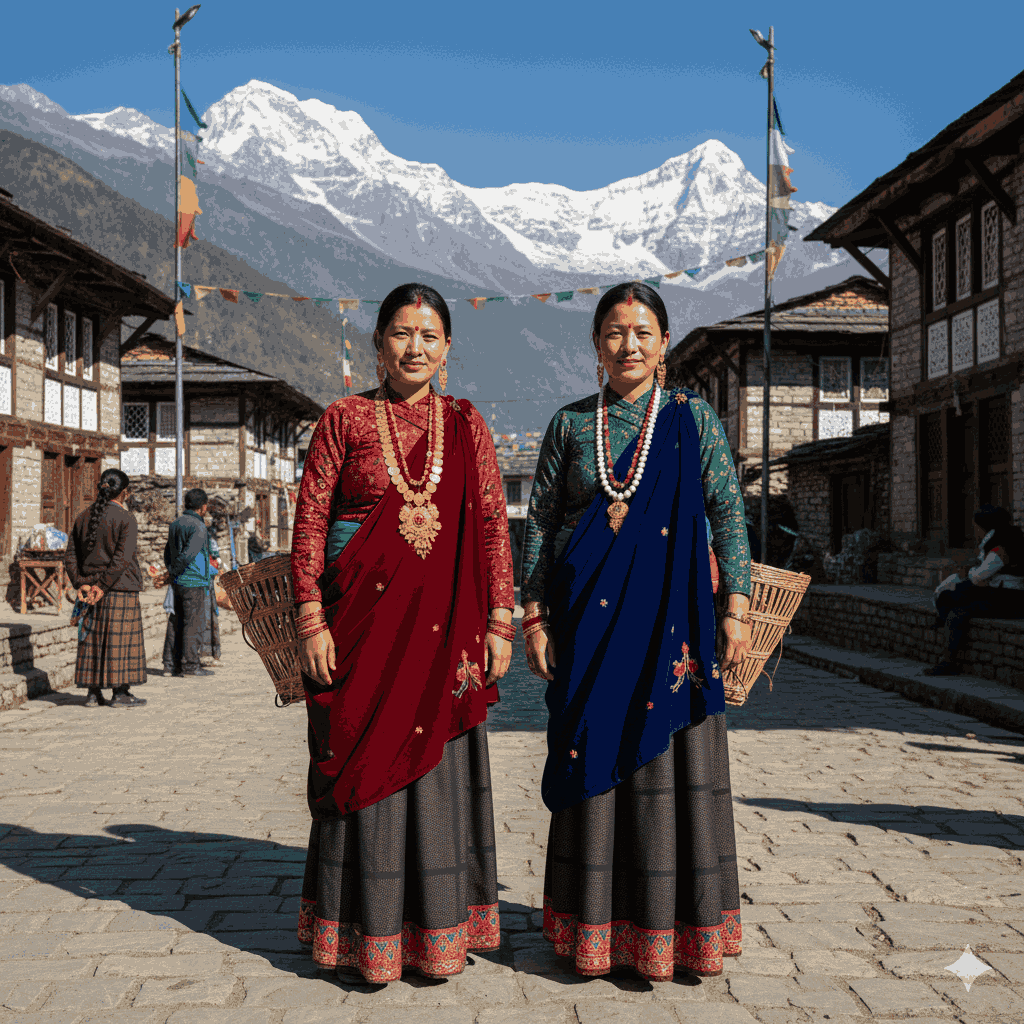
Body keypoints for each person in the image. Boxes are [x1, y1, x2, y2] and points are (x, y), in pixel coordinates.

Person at [521, 281, 753, 981]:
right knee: (591, 759)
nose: (629, 344)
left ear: (665, 345)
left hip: (675, 630)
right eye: (615, 332)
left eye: (643, 332)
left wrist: (736, 605)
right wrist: (533, 614)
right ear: (596, 346)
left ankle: (677, 931)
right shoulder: (569, 425)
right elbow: (539, 525)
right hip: (587, 627)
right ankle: (590, 929)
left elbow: (728, 512)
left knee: (670, 771)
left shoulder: (693, 420)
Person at [290, 283, 515, 984]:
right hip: (358, 626)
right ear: (377, 342)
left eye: (428, 335)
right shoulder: (344, 420)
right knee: (361, 764)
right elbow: (309, 526)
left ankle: (441, 930)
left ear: (447, 349)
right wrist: (310, 618)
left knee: (437, 772)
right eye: (400, 333)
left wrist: (502, 618)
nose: (414, 347)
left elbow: (488, 524)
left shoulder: (466, 421)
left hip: (447, 632)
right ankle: (361, 934)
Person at [63, 469, 148, 708]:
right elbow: (122, 559)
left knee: (92, 640)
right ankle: (120, 693)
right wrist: (101, 586)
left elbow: (70, 556)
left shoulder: (82, 516)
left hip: (90, 589)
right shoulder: (126, 518)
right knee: (120, 642)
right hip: (119, 587)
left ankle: (92, 693)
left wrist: (81, 583)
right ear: (125, 493)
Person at [927, 504, 1024, 676]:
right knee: (957, 608)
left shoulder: (1001, 545)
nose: (975, 531)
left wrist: (971, 574)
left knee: (955, 599)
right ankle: (947, 639)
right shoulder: (1008, 537)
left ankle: (949, 661)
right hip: (1004, 594)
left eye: (976, 527)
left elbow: (980, 575)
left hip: (1009, 599)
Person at [162, 488, 215, 678]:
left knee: (175, 622)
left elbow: (168, 552)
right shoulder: (198, 527)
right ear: (203, 507)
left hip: (178, 581)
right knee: (194, 623)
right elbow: (188, 555)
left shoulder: (175, 523)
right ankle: (191, 665)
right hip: (193, 580)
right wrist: (175, 570)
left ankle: (170, 664)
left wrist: (170, 571)